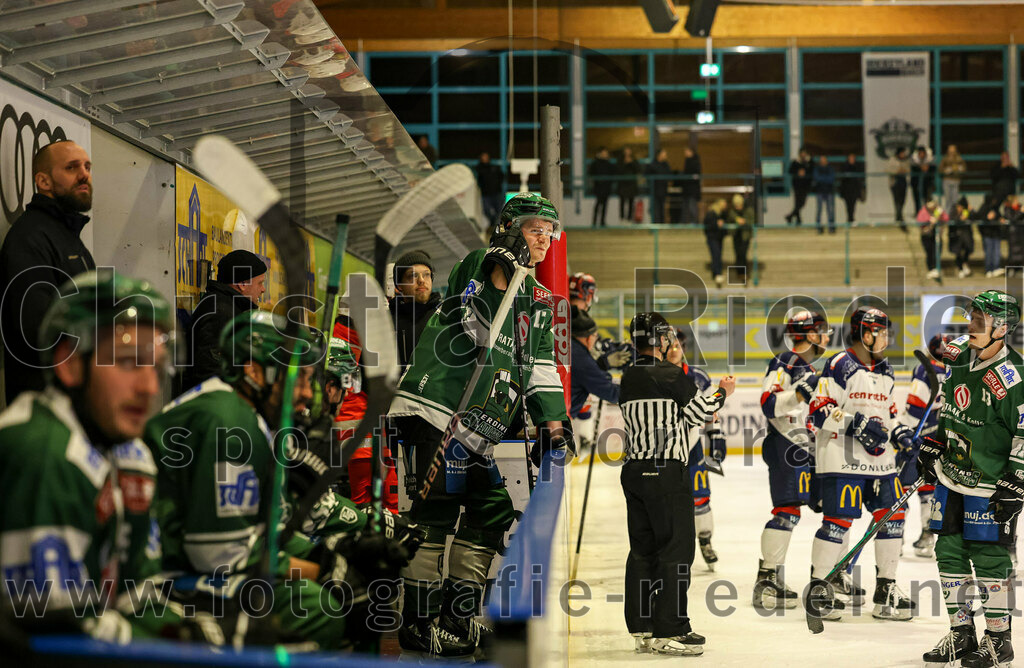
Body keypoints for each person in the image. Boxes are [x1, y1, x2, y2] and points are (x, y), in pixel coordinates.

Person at [148, 309, 417, 651]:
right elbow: (222, 556)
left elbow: (264, 529)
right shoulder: (229, 422)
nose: (307, 393)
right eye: (299, 379)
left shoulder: (243, 416)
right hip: (163, 580)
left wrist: (329, 552)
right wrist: (322, 566)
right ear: (253, 370)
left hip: (186, 565)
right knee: (318, 608)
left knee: (345, 586)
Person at [388, 193, 571, 657]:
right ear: (508, 228)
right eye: (534, 228)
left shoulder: (540, 299)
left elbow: (542, 365)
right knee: (434, 517)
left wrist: (553, 421)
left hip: (475, 431)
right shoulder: (478, 262)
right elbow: (477, 319)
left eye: (549, 231)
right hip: (436, 411)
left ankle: (457, 615)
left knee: (491, 511)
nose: (543, 238)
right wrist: (501, 261)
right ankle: (417, 621)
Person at [0, 271, 178, 641]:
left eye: (156, 367)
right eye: (128, 361)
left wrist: (185, 634)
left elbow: (134, 596)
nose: (149, 386)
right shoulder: (43, 455)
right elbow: (58, 636)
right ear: (70, 364)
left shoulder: (132, 456)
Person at [918, 290, 1023, 666]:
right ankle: (962, 634)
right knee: (948, 553)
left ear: (1002, 328)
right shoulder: (961, 352)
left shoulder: (1013, 378)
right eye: (971, 318)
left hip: (989, 483)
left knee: (990, 558)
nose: (970, 326)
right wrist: (935, 440)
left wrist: (1019, 480)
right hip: (952, 477)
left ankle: (998, 641)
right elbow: (950, 402)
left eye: (980, 320)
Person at [620, 312, 733, 656]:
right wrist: (723, 392)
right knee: (675, 550)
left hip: (634, 472)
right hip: (665, 472)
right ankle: (671, 629)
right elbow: (701, 411)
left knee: (642, 550)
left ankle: (642, 625)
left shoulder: (628, 376)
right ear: (660, 340)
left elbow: (676, 413)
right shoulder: (669, 374)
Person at [808, 307, 917, 622]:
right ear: (863, 332)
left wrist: (903, 435)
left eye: (886, 331)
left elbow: (889, 414)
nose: (885, 338)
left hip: (880, 462)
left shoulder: (886, 370)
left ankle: (886, 590)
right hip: (842, 457)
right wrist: (854, 424)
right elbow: (819, 408)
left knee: (893, 515)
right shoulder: (840, 364)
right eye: (879, 331)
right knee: (838, 521)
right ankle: (820, 589)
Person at [0, 140, 96, 404]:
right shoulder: (30, 238)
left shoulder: (69, 236)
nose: (84, 174)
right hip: (46, 404)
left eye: (87, 166)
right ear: (43, 181)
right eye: (72, 167)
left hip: (77, 398)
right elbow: (39, 331)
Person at [754, 310, 832, 611]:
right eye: (820, 331)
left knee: (827, 508)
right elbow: (768, 403)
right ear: (809, 334)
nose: (825, 336)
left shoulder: (812, 366)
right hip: (786, 445)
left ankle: (827, 576)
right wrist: (799, 393)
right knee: (786, 512)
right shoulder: (784, 362)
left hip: (805, 448)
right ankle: (767, 579)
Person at [666, 328, 725, 571]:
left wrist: (716, 437)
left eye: (677, 346)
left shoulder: (699, 377)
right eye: (668, 345)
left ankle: (705, 539)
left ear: (684, 348)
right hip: (666, 449)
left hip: (692, 447)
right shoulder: (654, 376)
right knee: (669, 499)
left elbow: (711, 410)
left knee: (700, 496)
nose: (673, 350)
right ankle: (672, 545)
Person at [896, 333, 948, 559]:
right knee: (929, 487)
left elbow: (916, 408)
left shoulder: (924, 370)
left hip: (917, 436)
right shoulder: (954, 372)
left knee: (902, 486)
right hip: (940, 437)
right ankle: (928, 537)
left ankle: (895, 535)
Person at [184, 249, 267, 390]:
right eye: (260, 283)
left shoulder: (227, 307)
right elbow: (210, 371)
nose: (263, 289)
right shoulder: (220, 311)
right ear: (242, 284)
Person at [568, 306, 619, 450]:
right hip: (557, 422)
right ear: (589, 337)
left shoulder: (570, 347)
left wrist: (602, 364)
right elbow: (611, 393)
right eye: (596, 335)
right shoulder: (581, 357)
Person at [389, 249, 441, 370]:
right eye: (412, 275)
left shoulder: (444, 317)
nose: (421, 280)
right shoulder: (387, 322)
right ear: (399, 285)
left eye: (426, 274)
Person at [974, 196, 1006, 278]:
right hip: (987, 234)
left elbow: (999, 216)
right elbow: (979, 219)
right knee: (989, 252)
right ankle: (988, 269)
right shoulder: (983, 208)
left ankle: (996, 268)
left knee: (996, 252)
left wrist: (1000, 218)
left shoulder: (995, 209)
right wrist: (987, 218)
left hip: (996, 234)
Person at [917, 198, 949, 280]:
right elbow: (919, 221)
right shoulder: (923, 211)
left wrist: (938, 216)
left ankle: (936, 268)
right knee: (929, 252)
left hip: (937, 235)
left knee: (937, 252)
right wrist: (929, 220)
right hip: (927, 236)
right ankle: (931, 268)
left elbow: (946, 218)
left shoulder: (938, 210)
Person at [475, 152, 505, 230]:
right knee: (486, 210)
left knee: (499, 211)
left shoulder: (494, 168)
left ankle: (496, 228)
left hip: (496, 193)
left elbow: (502, 176)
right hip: (486, 194)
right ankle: (492, 224)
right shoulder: (479, 169)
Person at [949, 196, 975, 279]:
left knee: (968, 249)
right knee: (958, 252)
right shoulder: (953, 210)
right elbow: (951, 220)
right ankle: (960, 268)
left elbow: (976, 217)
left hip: (966, 235)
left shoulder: (967, 211)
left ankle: (964, 264)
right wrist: (959, 219)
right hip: (956, 236)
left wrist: (971, 211)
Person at [727, 194, 753, 276]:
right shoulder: (732, 212)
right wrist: (736, 219)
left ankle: (743, 272)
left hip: (745, 236)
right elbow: (730, 218)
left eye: (739, 205)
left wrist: (744, 222)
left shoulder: (749, 210)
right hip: (736, 235)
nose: (738, 207)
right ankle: (739, 272)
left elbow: (752, 222)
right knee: (738, 253)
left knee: (743, 254)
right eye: (736, 205)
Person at [785, 147, 812, 225]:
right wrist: (798, 172)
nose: (803, 154)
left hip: (805, 186)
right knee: (797, 203)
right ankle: (798, 220)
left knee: (802, 203)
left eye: (804, 153)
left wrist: (805, 172)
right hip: (797, 185)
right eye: (802, 153)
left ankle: (790, 216)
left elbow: (812, 171)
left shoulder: (809, 162)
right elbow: (790, 171)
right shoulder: (796, 162)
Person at [704, 198, 727, 287]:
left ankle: (716, 273)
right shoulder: (711, 213)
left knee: (718, 255)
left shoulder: (722, 214)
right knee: (716, 254)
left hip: (719, 238)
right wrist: (716, 223)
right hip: (712, 238)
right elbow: (707, 225)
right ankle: (717, 273)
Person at [590, 147, 615, 228]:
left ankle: (602, 222)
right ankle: (594, 222)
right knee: (598, 205)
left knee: (604, 206)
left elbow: (612, 173)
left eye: (606, 153)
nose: (605, 155)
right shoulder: (596, 163)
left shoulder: (608, 164)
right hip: (598, 188)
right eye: (603, 153)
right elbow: (591, 172)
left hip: (606, 188)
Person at [887, 147, 911, 230]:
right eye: (902, 153)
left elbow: (908, 169)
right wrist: (897, 171)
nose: (903, 155)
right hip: (895, 183)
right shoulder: (892, 160)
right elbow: (888, 170)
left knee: (902, 200)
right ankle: (899, 217)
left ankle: (899, 215)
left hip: (903, 182)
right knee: (897, 200)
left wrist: (904, 170)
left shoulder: (906, 160)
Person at [812, 155, 836, 234]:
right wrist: (825, 179)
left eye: (824, 160)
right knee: (819, 210)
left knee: (830, 210)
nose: (823, 162)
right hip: (820, 191)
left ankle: (831, 227)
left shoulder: (830, 169)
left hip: (829, 191)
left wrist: (822, 179)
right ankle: (818, 227)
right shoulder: (817, 169)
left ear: (827, 161)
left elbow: (831, 179)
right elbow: (816, 178)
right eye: (821, 160)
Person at [647, 149, 672, 224]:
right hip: (654, 190)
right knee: (655, 208)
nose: (665, 156)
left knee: (662, 208)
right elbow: (647, 175)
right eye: (664, 154)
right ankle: (655, 225)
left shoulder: (666, 164)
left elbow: (669, 175)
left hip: (663, 190)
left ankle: (662, 224)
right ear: (659, 155)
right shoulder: (652, 164)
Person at [939, 144, 967, 212]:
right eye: (950, 151)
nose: (951, 153)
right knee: (948, 199)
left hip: (956, 180)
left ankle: (953, 214)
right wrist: (947, 170)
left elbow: (964, 168)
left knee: (955, 199)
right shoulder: (945, 158)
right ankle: (947, 214)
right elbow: (940, 169)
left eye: (953, 151)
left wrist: (959, 169)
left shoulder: (959, 159)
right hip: (947, 180)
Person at [838, 153, 864, 225]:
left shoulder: (858, 166)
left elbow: (860, 178)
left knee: (853, 205)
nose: (852, 159)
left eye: (853, 158)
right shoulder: (844, 166)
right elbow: (842, 177)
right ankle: (849, 219)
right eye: (850, 158)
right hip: (846, 190)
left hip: (854, 190)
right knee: (848, 205)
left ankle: (851, 219)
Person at [617, 147, 641, 223]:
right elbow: (618, 170)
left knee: (631, 202)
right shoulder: (620, 160)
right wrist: (625, 163)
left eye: (629, 150)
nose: (627, 152)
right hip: (622, 185)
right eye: (626, 150)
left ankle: (629, 219)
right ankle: (622, 219)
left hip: (632, 185)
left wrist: (631, 162)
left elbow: (638, 170)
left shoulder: (634, 160)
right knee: (622, 202)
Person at [681, 147, 702, 226]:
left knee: (692, 205)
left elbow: (695, 175)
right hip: (687, 189)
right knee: (686, 205)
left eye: (687, 151)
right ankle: (685, 222)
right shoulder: (687, 161)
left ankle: (694, 221)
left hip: (692, 189)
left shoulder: (695, 162)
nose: (685, 153)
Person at [911, 147, 936, 214]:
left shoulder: (930, 160)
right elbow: (913, 168)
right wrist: (920, 168)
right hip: (916, 183)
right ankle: (918, 213)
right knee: (917, 198)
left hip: (927, 183)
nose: (921, 155)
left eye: (923, 153)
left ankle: (928, 213)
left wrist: (927, 168)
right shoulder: (914, 160)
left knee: (927, 199)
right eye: (920, 153)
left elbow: (934, 169)